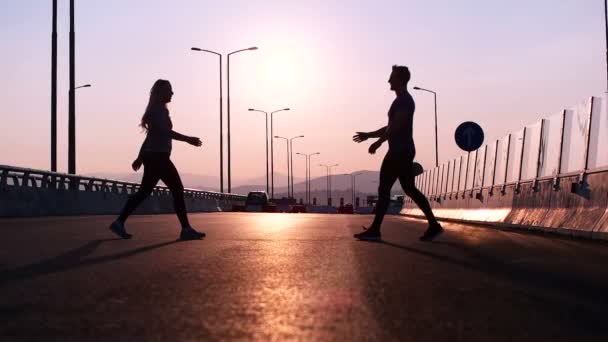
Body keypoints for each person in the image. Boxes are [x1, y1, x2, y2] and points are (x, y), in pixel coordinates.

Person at [353, 65, 443, 241]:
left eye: (392, 77)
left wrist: (378, 142)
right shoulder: (401, 100)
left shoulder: (404, 101)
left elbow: (396, 127)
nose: (389, 80)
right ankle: (433, 225)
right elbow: (390, 126)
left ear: (400, 79)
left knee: (384, 189)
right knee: (409, 188)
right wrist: (369, 135)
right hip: (403, 151)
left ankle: (375, 230)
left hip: (399, 152)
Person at [109, 79, 205, 240]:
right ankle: (186, 229)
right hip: (158, 157)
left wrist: (139, 158)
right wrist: (188, 139)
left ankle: (119, 222)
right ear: (161, 93)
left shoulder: (159, 110)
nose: (172, 93)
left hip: (154, 156)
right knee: (177, 189)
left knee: (144, 193)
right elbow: (165, 133)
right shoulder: (158, 110)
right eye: (169, 90)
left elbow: (150, 137)